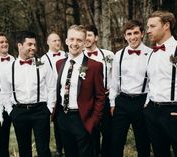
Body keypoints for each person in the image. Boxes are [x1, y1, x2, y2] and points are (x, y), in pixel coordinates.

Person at [1, 31, 56, 157]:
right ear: (20, 45)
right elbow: (4, 92)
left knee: (43, 149)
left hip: (40, 110)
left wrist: (49, 108)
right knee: (24, 149)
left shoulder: (42, 64)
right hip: (19, 112)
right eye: (29, 44)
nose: (33, 48)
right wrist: (11, 111)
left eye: (35, 44)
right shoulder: (9, 67)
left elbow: (52, 87)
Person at [54, 24, 106, 157]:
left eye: (79, 40)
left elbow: (100, 96)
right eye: (71, 39)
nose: (74, 43)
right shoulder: (59, 63)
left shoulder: (95, 66)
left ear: (84, 43)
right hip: (64, 118)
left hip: (83, 119)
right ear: (66, 41)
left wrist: (93, 121)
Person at [144, 10, 177, 157]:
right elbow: (151, 82)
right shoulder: (152, 53)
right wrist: (147, 106)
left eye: (152, 26)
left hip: (175, 112)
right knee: (159, 153)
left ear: (166, 26)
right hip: (152, 112)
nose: (148, 30)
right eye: (147, 27)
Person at [109, 20, 151, 157]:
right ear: (125, 36)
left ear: (142, 34)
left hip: (142, 101)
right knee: (116, 141)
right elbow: (114, 81)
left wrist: (147, 104)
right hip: (122, 101)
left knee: (143, 141)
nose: (133, 37)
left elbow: (153, 82)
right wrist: (112, 103)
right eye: (129, 34)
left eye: (136, 33)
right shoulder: (118, 55)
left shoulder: (151, 54)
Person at [84, 24, 114, 157]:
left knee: (108, 132)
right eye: (84, 35)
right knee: (91, 132)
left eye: (89, 35)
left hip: (106, 99)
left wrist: (112, 99)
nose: (86, 38)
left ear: (96, 37)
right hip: (88, 101)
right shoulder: (79, 57)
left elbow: (114, 78)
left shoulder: (108, 55)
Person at [41, 32, 66, 157]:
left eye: (58, 40)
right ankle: (59, 148)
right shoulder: (43, 59)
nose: (57, 43)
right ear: (48, 42)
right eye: (54, 41)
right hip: (54, 94)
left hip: (66, 92)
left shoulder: (66, 55)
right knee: (57, 123)